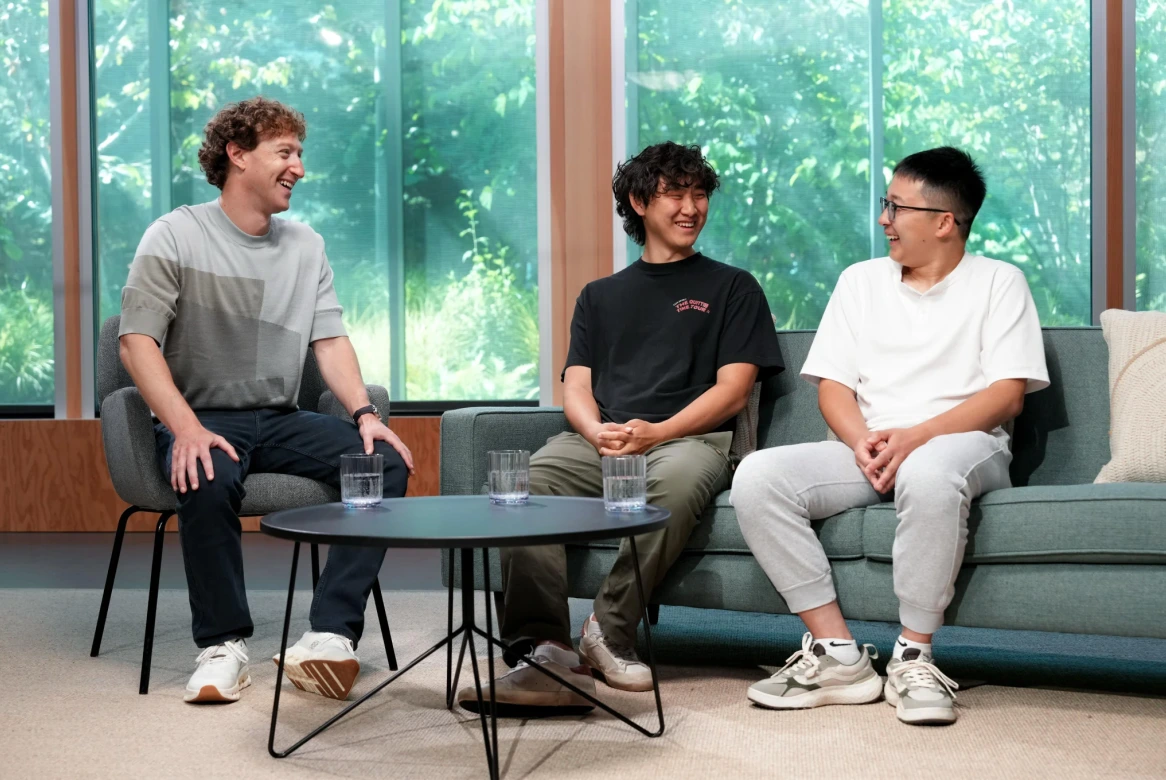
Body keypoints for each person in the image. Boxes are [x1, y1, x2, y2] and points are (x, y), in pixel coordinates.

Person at [458, 141, 784, 715]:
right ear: (638, 202)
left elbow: (733, 390)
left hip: (688, 441)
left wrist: (656, 433)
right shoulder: (599, 296)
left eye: (700, 194)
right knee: (523, 485)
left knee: (675, 484)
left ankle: (607, 631)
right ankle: (546, 650)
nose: (691, 207)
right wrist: (595, 433)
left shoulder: (733, 287)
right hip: (601, 441)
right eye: (675, 194)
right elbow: (577, 386)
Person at [730, 146, 1049, 725]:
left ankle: (914, 657)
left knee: (928, 471)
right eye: (887, 203)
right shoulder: (860, 281)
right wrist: (862, 441)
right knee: (758, 476)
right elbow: (833, 388)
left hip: (964, 444)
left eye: (897, 206)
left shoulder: (1000, 283)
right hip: (869, 448)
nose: (884, 218)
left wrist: (916, 437)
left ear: (944, 222)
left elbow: (1007, 396)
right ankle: (836, 654)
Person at [118, 96, 414, 705]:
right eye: (285, 152)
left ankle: (330, 634)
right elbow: (135, 341)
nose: (298, 167)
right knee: (206, 472)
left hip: (280, 419)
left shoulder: (306, 245)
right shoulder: (175, 234)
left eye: (299, 153)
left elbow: (330, 340)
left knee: (383, 462)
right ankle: (222, 646)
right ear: (237, 154)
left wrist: (365, 414)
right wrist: (186, 428)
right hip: (202, 417)